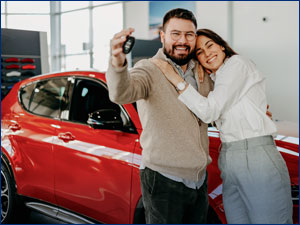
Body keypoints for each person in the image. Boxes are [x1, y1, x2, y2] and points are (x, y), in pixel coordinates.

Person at [152, 28, 293, 224]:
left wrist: (174, 78)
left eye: (210, 45)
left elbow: (209, 111)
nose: (207, 53)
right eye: (200, 52)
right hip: (229, 157)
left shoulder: (237, 64)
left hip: (256, 156)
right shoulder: (217, 80)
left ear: (222, 46)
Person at [106, 8, 214, 224]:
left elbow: (215, 108)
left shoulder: (200, 71)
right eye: (175, 34)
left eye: (189, 34)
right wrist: (117, 62)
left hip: (199, 180)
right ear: (162, 36)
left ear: (195, 37)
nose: (182, 40)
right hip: (164, 180)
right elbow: (121, 92)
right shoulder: (148, 69)